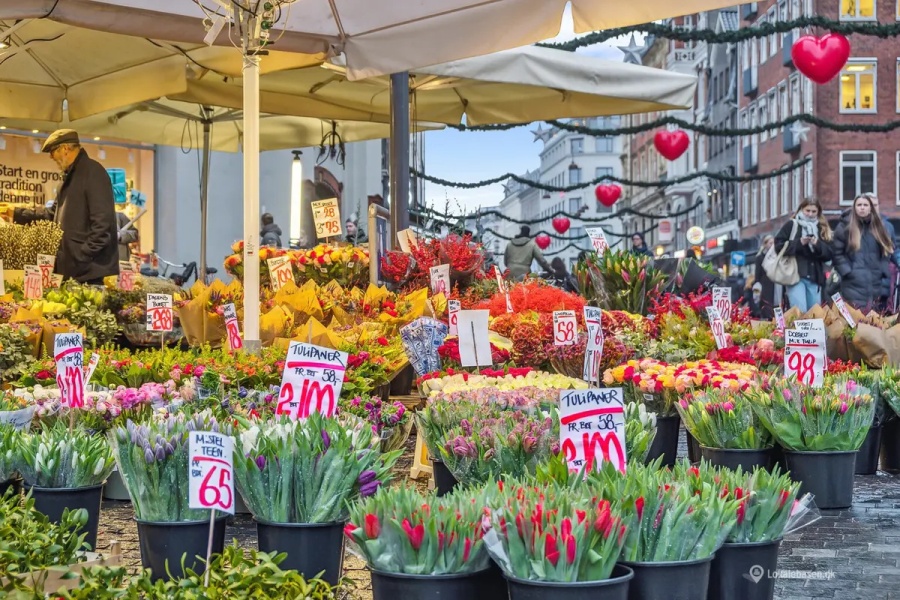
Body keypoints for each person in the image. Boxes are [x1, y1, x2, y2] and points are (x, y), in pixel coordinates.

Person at [42, 129, 118, 284]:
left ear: (64, 148)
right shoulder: (69, 178)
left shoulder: (93, 172)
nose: (51, 157)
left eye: (52, 151)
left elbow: (103, 223)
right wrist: (15, 213)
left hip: (89, 273)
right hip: (74, 270)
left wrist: (82, 255)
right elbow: (51, 214)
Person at [833, 194, 894, 311]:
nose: (862, 207)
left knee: (874, 321)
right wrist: (847, 272)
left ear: (870, 207)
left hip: (876, 282)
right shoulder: (844, 227)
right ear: (854, 207)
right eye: (859, 205)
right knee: (855, 319)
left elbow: (887, 250)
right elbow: (837, 253)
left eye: (865, 205)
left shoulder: (879, 226)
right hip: (852, 283)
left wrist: (882, 269)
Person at [773, 198, 833, 313]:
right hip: (795, 275)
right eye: (807, 210)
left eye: (813, 211)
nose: (810, 214)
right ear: (801, 209)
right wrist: (799, 243)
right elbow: (778, 246)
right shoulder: (792, 225)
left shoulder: (822, 228)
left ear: (818, 212)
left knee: (815, 314)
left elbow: (829, 254)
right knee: (800, 312)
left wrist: (817, 245)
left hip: (815, 277)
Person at [754, 235, 777, 319]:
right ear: (765, 244)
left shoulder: (777, 256)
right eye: (770, 243)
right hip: (765, 284)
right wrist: (757, 284)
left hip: (776, 283)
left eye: (774, 243)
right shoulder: (760, 257)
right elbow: (757, 273)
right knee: (767, 304)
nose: (772, 245)